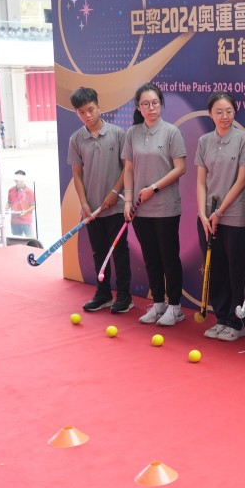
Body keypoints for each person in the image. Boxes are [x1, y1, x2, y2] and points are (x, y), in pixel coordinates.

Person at [122, 83, 187, 327]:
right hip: (140, 209)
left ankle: (175, 307)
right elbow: (128, 168)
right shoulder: (132, 133)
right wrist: (129, 200)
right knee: (150, 258)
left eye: (155, 103)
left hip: (166, 207)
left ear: (161, 104)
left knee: (169, 257)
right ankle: (158, 302)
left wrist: (154, 188)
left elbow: (180, 168)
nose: (151, 108)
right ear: (139, 107)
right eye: (145, 104)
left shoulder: (171, 132)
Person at [68, 87, 134, 315]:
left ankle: (124, 295)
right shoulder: (76, 139)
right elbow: (77, 174)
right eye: (81, 112)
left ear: (99, 107)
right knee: (98, 252)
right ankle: (103, 293)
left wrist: (114, 193)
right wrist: (85, 205)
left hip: (115, 206)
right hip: (92, 210)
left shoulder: (118, 134)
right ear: (76, 113)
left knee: (119, 252)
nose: (87, 115)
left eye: (91, 109)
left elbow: (127, 168)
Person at [196, 91, 245, 341]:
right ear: (210, 114)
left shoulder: (243, 139)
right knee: (215, 268)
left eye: (229, 111)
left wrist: (218, 212)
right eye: (219, 112)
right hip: (208, 218)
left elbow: (241, 181)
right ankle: (221, 318)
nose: (224, 116)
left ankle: (237, 321)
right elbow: (200, 182)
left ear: (235, 112)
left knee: (235, 271)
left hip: (234, 217)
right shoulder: (204, 141)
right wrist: (202, 213)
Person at [7, 170, 36, 237]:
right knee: (17, 242)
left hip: (26, 221)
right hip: (14, 221)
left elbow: (33, 206)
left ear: (24, 179)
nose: (17, 179)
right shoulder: (11, 190)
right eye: (16, 177)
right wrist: (6, 208)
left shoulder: (29, 191)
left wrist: (25, 211)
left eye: (19, 177)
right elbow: (9, 202)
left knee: (31, 240)